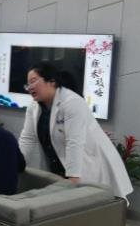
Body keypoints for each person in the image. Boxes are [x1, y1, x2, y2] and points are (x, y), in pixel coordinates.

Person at [18, 62, 133, 200]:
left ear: (51, 81)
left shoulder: (72, 102)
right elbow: (28, 139)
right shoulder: (34, 107)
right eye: (27, 84)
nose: (30, 87)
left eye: (33, 81)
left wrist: (73, 178)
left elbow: (74, 141)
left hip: (87, 164)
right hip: (58, 165)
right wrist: (18, 165)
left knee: (91, 206)